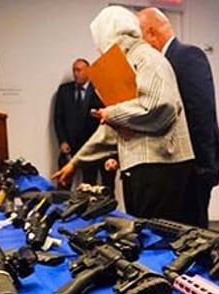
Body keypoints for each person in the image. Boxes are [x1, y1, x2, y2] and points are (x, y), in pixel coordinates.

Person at [52, 7, 193, 220]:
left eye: (98, 40)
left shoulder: (148, 58)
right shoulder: (127, 62)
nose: (98, 48)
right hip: (142, 168)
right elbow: (115, 127)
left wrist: (111, 112)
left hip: (159, 168)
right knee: (142, 233)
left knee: (154, 238)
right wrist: (75, 163)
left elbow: (159, 107)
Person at [138, 8, 219, 228]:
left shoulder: (187, 56)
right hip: (175, 166)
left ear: (150, 33)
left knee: (194, 231)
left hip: (195, 166)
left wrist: (204, 165)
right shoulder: (160, 63)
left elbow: (201, 111)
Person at [53, 58, 114, 189]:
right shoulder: (65, 90)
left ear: (88, 71)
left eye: (79, 70)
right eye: (74, 70)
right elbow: (58, 118)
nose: (76, 73)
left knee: (89, 185)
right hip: (70, 145)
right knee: (63, 183)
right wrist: (62, 141)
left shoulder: (98, 90)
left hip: (91, 145)